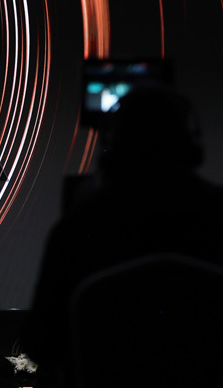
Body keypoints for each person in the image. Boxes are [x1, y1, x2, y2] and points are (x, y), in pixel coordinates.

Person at [22, 86, 223, 387]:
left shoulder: (77, 226)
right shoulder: (218, 215)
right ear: (192, 146)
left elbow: (41, 343)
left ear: (111, 148)